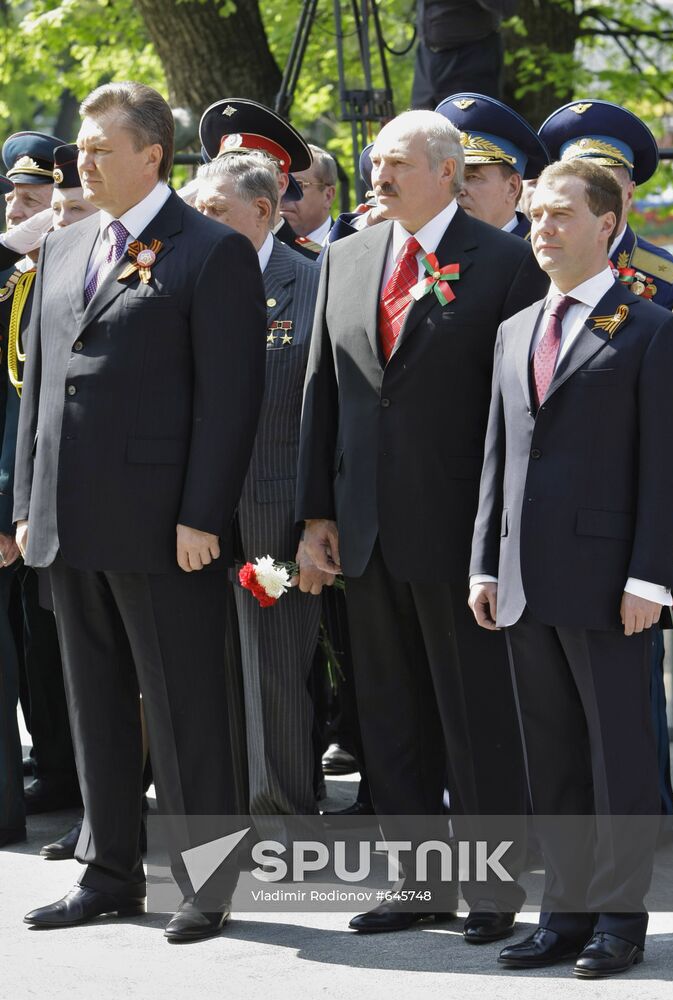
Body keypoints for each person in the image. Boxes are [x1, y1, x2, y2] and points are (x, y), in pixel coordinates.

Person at [15, 82, 266, 943]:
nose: (78, 162)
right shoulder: (65, 245)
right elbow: (42, 390)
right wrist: (25, 505)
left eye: (97, 148)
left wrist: (202, 514)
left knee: (189, 702)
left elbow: (231, 402)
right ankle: (110, 870)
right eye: (80, 148)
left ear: (153, 154)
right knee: (95, 703)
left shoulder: (209, 250)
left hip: (167, 527)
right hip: (69, 521)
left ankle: (210, 879)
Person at [297, 109, 548, 941]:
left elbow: (523, 413)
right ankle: (416, 885)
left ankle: (490, 892)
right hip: (364, 533)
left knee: (474, 719)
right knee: (389, 717)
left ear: (446, 171)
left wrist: (504, 537)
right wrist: (316, 515)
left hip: (459, 534)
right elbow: (321, 396)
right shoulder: (346, 256)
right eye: (374, 163)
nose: (379, 177)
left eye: (396, 163)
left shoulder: (508, 264)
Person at [469, 159, 673, 977]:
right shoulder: (516, 328)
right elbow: (498, 457)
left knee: (619, 759)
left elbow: (667, 468)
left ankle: (619, 919)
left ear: (609, 224)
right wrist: (484, 564)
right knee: (554, 760)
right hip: (524, 580)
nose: (544, 228)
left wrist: (649, 576)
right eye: (536, 215)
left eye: (562, 214)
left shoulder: (651, 329)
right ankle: (562, 914)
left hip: (610, 585)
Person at [538, 99, 673, 840]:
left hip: (631, 513)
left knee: (629, 688)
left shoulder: (663, 279)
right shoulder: (533, 276)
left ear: (623, 199)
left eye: (605, 176)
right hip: (549, 529)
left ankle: (634, 830)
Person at [195, 149, 328, 838]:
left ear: (263, 212)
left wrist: (313, 522)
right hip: (195, 516)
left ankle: (280, 823)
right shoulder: (184, 279)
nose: (201, 221)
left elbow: (322, 414)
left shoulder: (312, 283)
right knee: (204, 672)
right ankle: (218, 819)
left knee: (273, 674)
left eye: (214, 210)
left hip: (273, 515)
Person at [1, 134, 82, 852]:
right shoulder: (14, 279)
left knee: (72, 644)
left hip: (74, 499)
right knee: (37, 644)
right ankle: (59, 766)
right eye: (20, 200)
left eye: (40, 200)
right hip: (28, 498)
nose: (24, 213)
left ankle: (93, 787)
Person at [199, 98, 320, 260]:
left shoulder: (313, 261)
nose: (235, 178)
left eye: (248, 171)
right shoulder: (200, 255)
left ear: (281, 183)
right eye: (228, 169)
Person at [435, 92, 548, 237]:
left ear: (512, 187)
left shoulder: (541, 252)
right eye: (452, 177)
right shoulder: (435, 248)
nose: (458, 189)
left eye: (473, 176)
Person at [411, 0, 516, 110]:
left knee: (470, 124)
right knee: (419, 124)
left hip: (470, 59)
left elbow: (507, 7)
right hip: (426, 58)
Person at [281, 144, 337, 248]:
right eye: (279, 185)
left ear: (328, 196)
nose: (283, 194)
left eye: (298, 185)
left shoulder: (348, 246)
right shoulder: (261, 246)